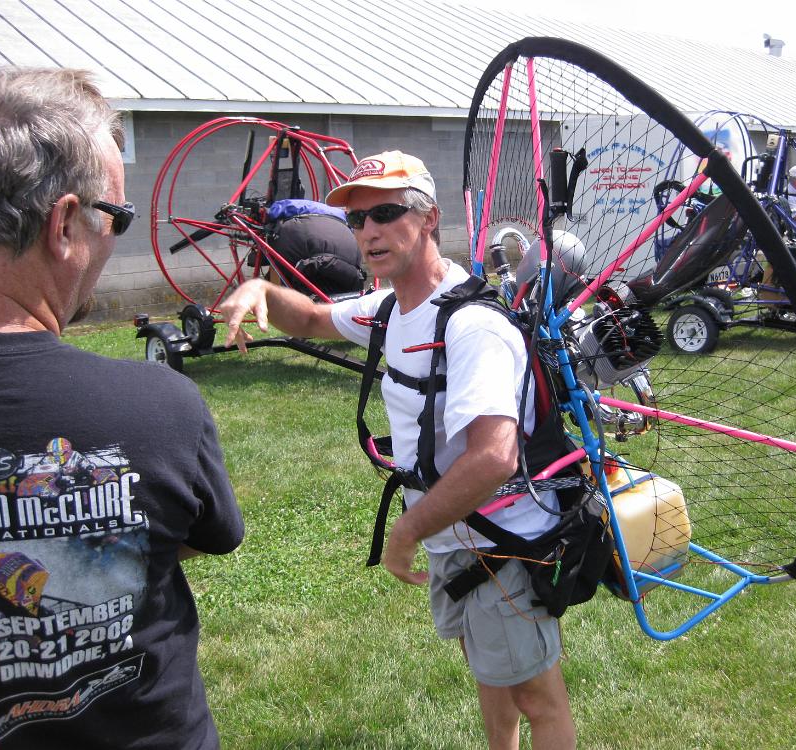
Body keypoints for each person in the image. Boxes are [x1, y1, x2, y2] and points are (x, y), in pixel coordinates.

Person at [219, 151, 577, 749]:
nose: (368, 232)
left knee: (538, 698)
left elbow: (494, 457)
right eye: (356, 221)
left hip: (502, 540)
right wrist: (259, 285)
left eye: (385, 213)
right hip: (454, 536)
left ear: (428, 218)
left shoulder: (471, 325)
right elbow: (308, 318)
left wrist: (407, 531)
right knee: (493, 677)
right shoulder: (389, 309)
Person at [0, 68, 243, 749]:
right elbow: (200, 538)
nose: (116, 236)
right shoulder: (158, 408)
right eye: (116, 216)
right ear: (64, 223)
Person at [264, 198, 366, 295]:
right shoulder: (342, 214)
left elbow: (277, 210)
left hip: (303, 241)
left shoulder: (300, 205)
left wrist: (265, 214)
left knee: (274, 251)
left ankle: (276, 296)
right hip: (348, 255)